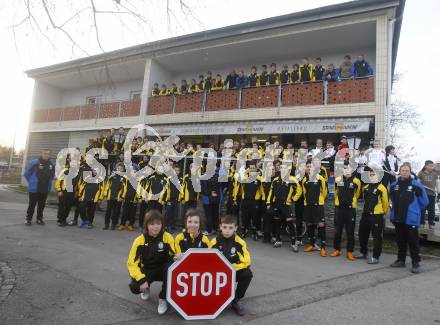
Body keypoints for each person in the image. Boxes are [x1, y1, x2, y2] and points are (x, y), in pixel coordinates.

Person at [127, 210, 175, 315]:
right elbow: (132, 263)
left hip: (163, 270)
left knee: (171, 270)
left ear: (162, 225)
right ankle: (146, 287)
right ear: (146, 225)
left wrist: (177, 256)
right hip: (148, 270)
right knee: (135, 287)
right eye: (152, 224)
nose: (155, 227)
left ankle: (163, 298)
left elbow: (175, 253)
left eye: (158, 224)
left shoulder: (168, 237)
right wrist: (142, 280)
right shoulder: (139, 241)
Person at [209, 214, 253, 316]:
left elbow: (247, 262)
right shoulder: (214, 242)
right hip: (218, 274)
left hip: (233, 271)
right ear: (220, 227)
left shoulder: (240, 242)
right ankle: (214, 297)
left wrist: (231, 268)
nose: (227, 230)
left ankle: (236, 299)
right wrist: (221, 269)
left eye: (230, 228)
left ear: (235, 228)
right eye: (224, 227)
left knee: (247, 274)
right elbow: (209, 261)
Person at [390, 164, 429, 273]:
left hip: (410, 219)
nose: (404, 172)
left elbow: (424, 201)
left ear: (410, 172)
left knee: (413, 241)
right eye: (402, 170)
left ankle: (415, 263)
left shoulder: (416, 185)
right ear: (400, 171)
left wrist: (415, 210)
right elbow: (392, 198)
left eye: (407, 170)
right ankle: (400, 260)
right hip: (398, 218)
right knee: (400, 241)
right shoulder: (394, 185)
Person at [356, 167, 389, 264]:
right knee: (362, 234)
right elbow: (364, 201)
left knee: (377, 237)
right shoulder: (365, 188)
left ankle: (376, 256)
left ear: (378, 175)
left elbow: (386, 203)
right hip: (365, 215)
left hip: (376, 216)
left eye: (373, 174)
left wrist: (383, 213)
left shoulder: (382, 188)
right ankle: (363, 252)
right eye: (370, 175)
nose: (371, 176)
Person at [266, 164, 302, 250]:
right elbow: (271, 192)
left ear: (288, 170)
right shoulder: (275, 180)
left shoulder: (292, 179)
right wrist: (268, 203)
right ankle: (278, 240)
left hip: (286, 205)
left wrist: (293, 199)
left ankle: (293, 243)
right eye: (282, 168)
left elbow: (299, 191)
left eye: (285, 168)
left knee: (290, 223)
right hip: (276, 204)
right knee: (277, 222)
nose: (283, 170)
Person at [331, 162, 361, 260]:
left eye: (348, 168)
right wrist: (338, 202)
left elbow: (357, 194)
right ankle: (337, 249)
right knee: (337, 231)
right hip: (339, 209)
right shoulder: (338, 179)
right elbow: (336, 192)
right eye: (344, 168)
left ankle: (349, 252)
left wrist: (351, 202)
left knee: (350, 232)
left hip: (350, 210)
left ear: (352, 170)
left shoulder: (356, 181)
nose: (346, 170)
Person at [302, 160, 328, 256]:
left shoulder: (320, 178)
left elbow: (324, 192)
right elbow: (305, 193)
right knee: (309, 225)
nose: (309, 168)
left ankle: (323, 248)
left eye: (311, 166)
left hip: (318, 206)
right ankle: (312, 245)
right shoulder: (305, 180)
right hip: (308, 206)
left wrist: (320, 201)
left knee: (321, 225)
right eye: (307, 166)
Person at [24, 148, 55, 225]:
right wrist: (31, 181)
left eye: (48, 154)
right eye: (45, 153)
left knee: (41, 205)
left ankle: (39, 219)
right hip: (35, 188)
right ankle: (28, 219)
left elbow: (53, 174)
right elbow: (26, 173)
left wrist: (51, 180)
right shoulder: (34, 162)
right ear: (42, 154)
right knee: (32, 204)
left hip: (45, 188)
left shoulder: (51, 164)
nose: (46, 155)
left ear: (49, 155)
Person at [235, 162, 265, 240]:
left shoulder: (259, 179)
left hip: (255, 201)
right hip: (245, 201)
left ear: (256, 169)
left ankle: (255, 232)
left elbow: (262, 190)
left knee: (255, 217)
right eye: (250, 168)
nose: (252, 169)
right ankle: (244, 231)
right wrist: (247, 170)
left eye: (253, 168)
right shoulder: (245, 178)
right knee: (245, 216)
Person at [103, 163, 127, 230]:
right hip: (110, 196)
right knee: (108, 211)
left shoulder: (124, 177)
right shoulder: (112, 176)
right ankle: (106, 224)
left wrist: (122, 197)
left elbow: (125, 188)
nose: (119, 169)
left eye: (121, 169)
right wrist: (105, 195)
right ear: (116, 168)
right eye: (118, 168)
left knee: (116, 212)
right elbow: (107, 185)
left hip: (118, 198)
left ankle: (114, 224)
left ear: (123, 169)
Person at [55, 155, 75, 227]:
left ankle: (64, 219)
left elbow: (78, 182)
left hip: (72, 192)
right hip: (64, 191)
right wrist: (59, 190)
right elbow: (58, 181)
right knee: (62, 207)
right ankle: (60, 220)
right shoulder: (64, 170)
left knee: (68, 207)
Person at [417, 160, 438, 229]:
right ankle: (421, 223)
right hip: (423, 195)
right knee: (422, 209)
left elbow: (437, 183)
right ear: (426, 166)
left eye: (432, 166)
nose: (432, 167)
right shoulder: (421, 173)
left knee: (431, 210)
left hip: (432, 194)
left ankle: (431, 224)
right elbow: (418, 184)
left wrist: (438, 190)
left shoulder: (435, 173)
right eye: (430, 166)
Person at [163, 164, 181, 232]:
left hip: (176, 200)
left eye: (178, 170)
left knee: (174, 213)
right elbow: (165, 189)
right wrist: (164, 199)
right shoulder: (169, 178)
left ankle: (171, 226)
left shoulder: (180, 179)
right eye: (175, 170)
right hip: (169, 199)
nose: (176, 172)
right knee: (168, 213)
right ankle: (166, 226)